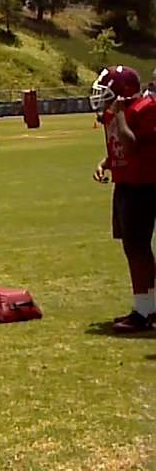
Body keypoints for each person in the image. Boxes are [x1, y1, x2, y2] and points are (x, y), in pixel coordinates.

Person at [90, 66, 156, 332]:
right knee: (134, 248)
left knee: (138, 249)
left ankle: (143, 311)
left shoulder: (145, 109)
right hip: (126, 184)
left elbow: (132, 145)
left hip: (145, 185)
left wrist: (119, 115)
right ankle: (149, 307)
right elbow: (118, 147)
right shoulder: (113, 114)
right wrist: (105, 163)